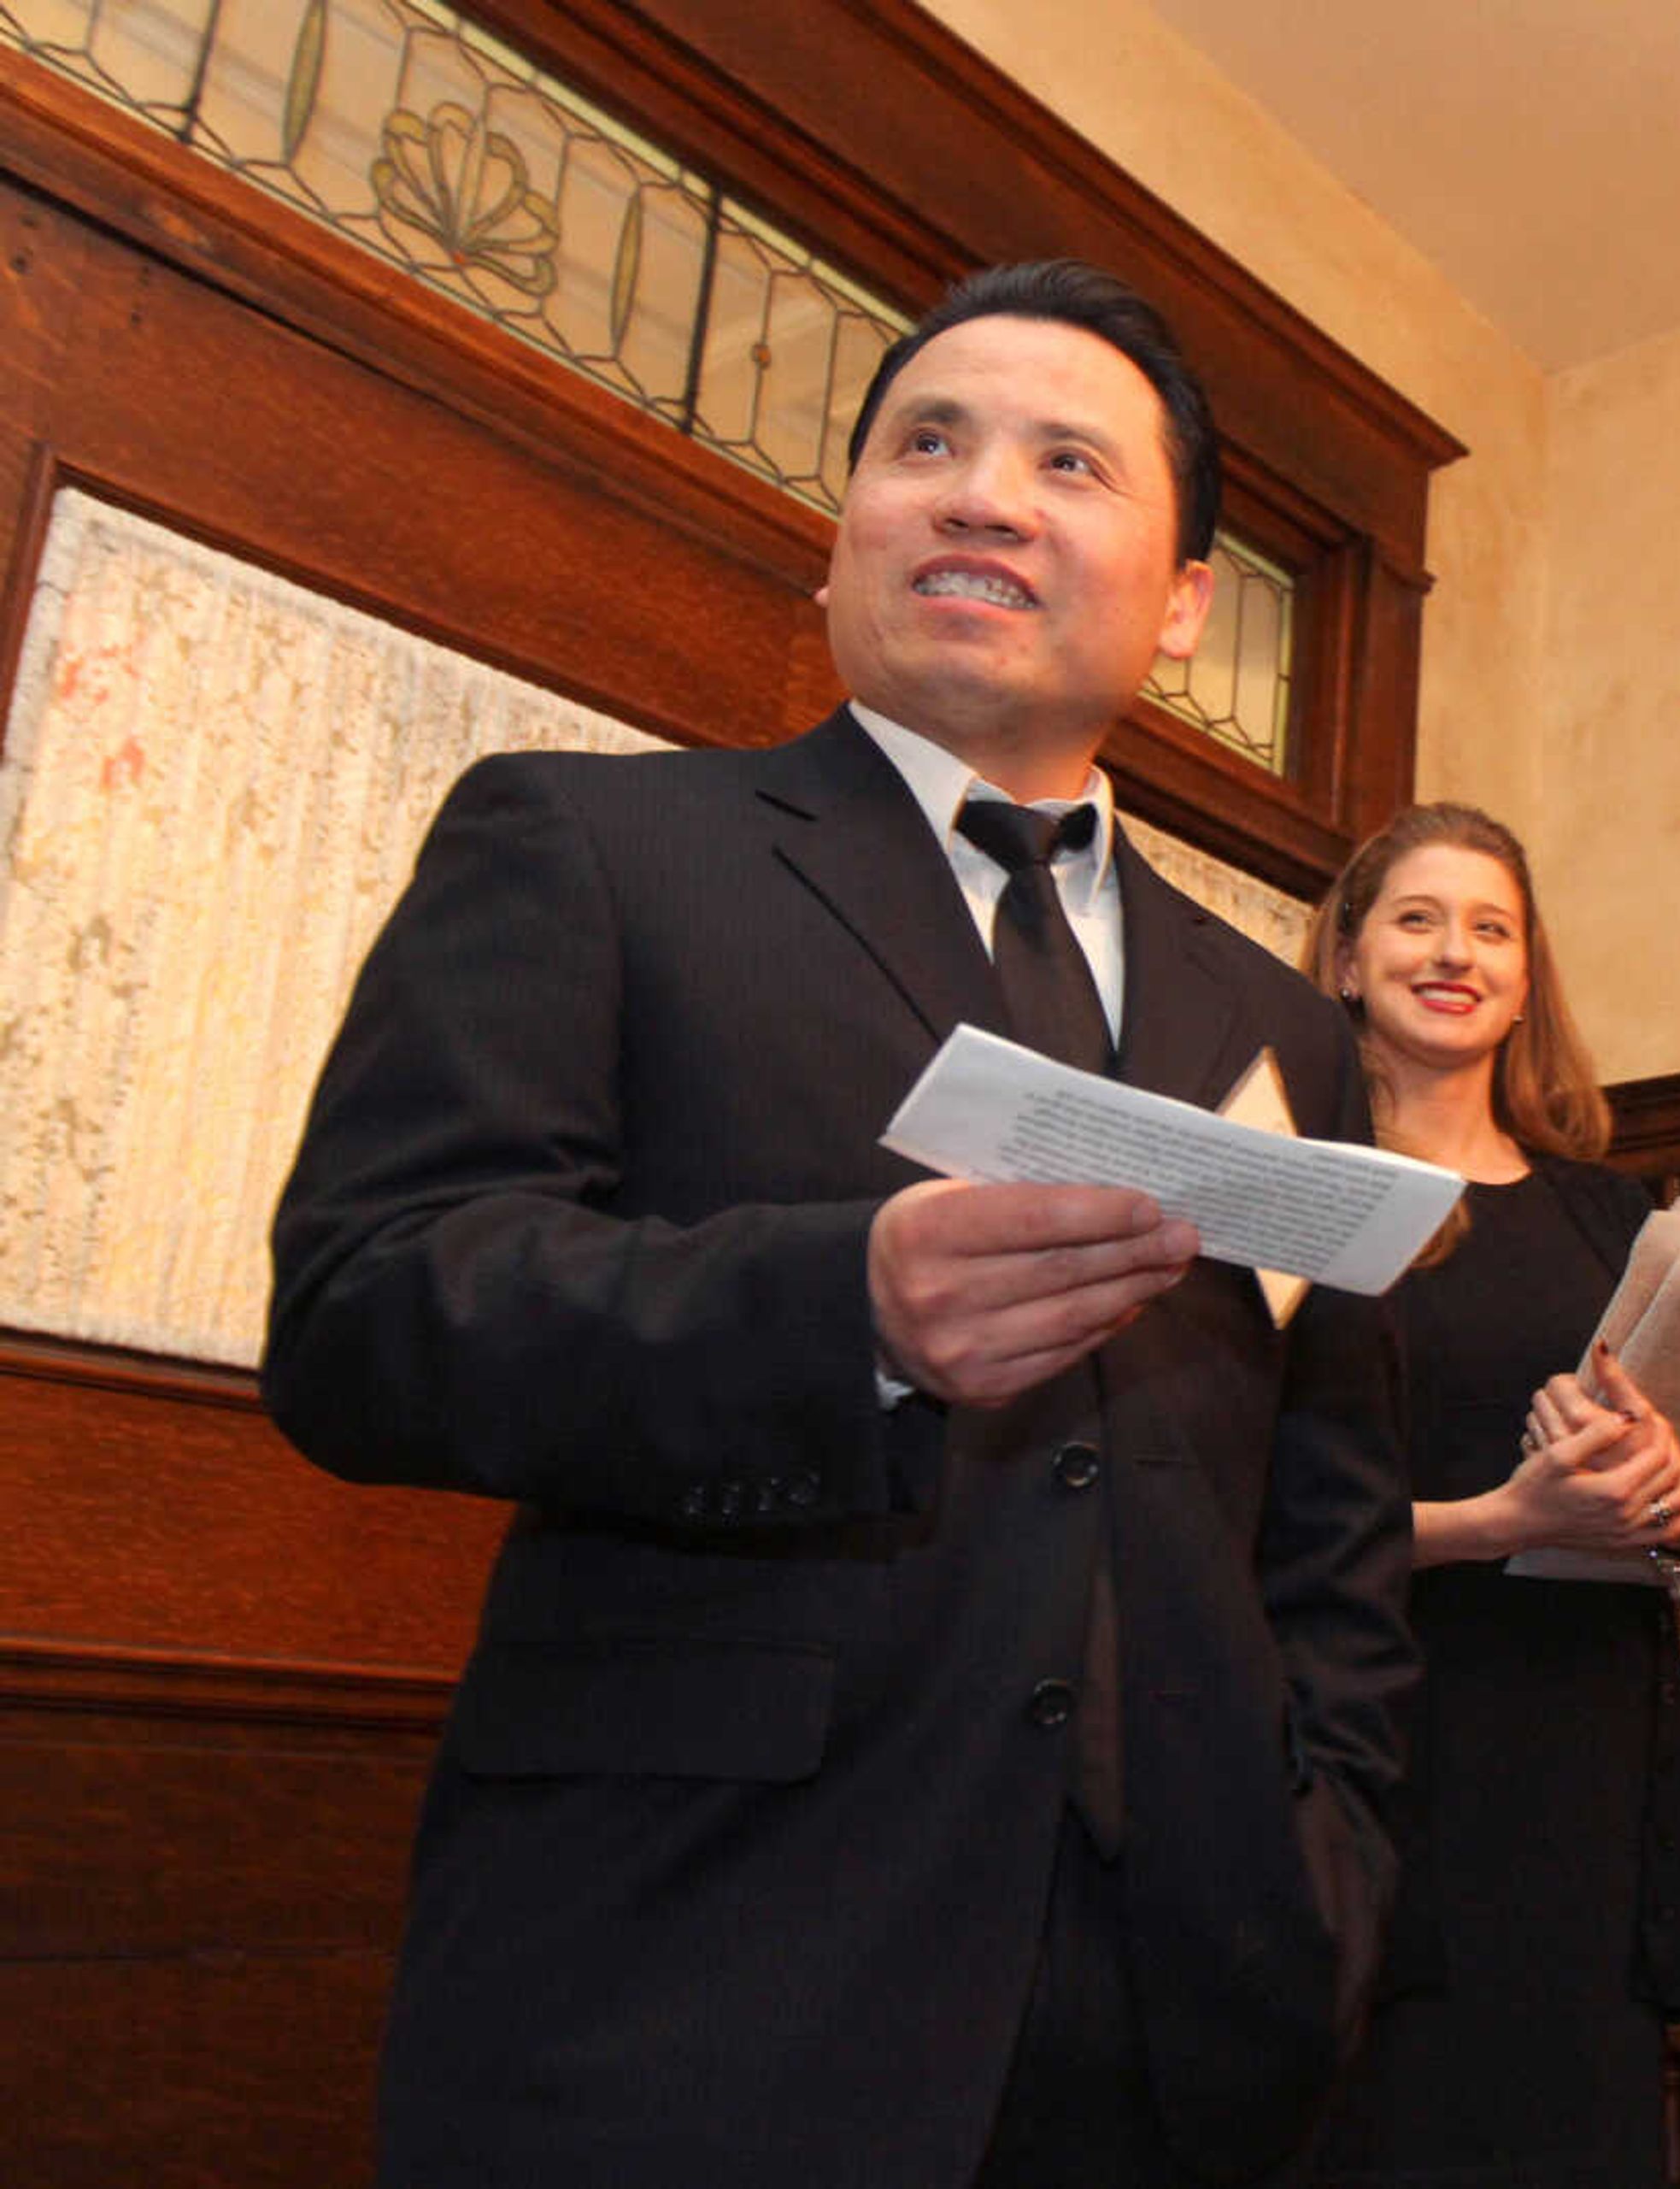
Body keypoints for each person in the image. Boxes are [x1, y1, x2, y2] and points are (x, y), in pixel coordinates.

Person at [261, 262, 1413, 2189]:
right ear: (845, 532)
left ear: (1187, 600)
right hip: (695, 1979)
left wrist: (1331, 1865)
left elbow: (1335, 1514)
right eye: (926, 444)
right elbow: (369, 1310)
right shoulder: (594, 846)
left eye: (1069, 460)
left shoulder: (1285, 1021)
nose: (983, 495)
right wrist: (842, 1307)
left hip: (1188, 2016)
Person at [1294, 803, 1680, 2189]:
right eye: (1416, 918)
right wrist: (1500, 1524)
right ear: (1345, 960)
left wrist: (1670, 1494)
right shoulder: (1296, 1197)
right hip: (1361, 1780)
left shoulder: (1609, 1218)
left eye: (1491, 928)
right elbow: (1221, 1519)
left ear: (1526, 979)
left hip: (1587, 1813)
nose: (1454, 952)